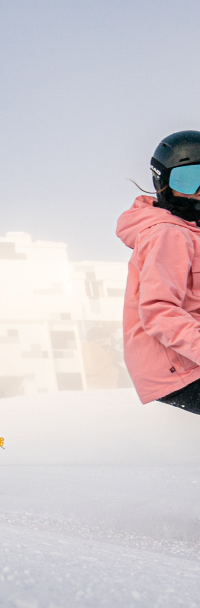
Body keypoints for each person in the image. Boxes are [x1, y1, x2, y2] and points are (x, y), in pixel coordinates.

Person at [117, 130, 200, 414]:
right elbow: (159, 310)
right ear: (163, 184)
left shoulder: (188, 230)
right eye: (188, 179)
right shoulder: (168, 234)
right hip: (179, 366)